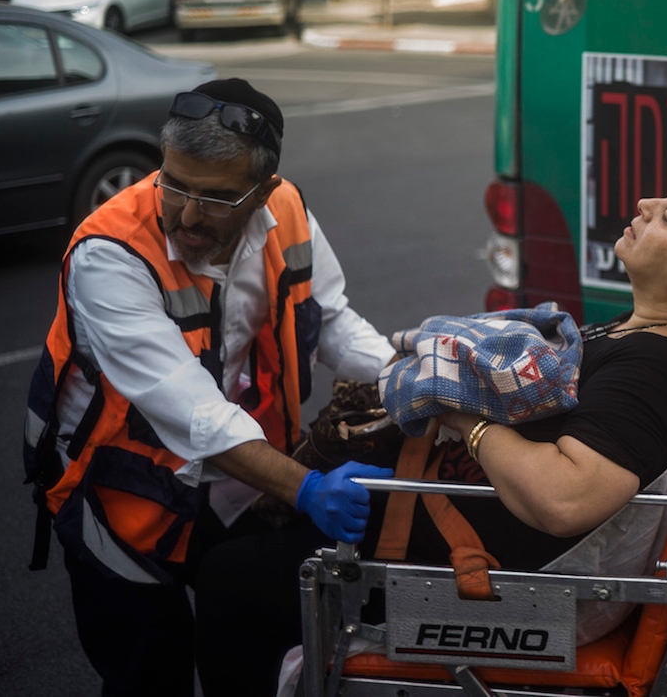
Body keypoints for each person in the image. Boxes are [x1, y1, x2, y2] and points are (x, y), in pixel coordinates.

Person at [194, 171, 667, 697]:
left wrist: (460, 416)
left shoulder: (656, 369)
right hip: (435, 520)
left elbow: (565, 497)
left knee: (225, 574)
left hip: (457, 568)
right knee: (238, 539)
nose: (646, 203)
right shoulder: (651, 343)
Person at [23, 78, 397, 697]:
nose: (189, 215)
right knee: (149, 672)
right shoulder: (110, 251)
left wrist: (408, 382)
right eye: (175, 185)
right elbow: (192, 411)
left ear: (264, 190)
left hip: (231, 482)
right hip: (118, 499)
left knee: (253, 628)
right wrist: (304, 487)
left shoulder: (289, 211)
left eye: (217, 198)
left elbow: (330, 320)